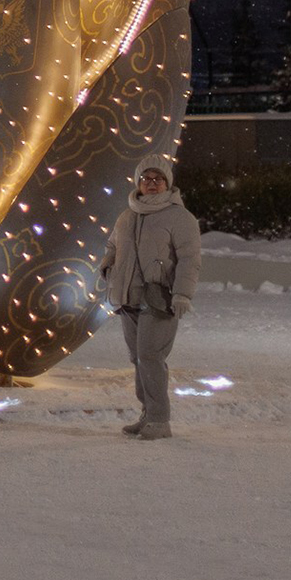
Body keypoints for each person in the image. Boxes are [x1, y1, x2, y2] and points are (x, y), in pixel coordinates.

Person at [98, 151, 201, 441]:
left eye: (158, 178)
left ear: (167, 183)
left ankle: (159, 419)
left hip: (160, 298)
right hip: (128, 297)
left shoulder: (180, 218)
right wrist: (108, 268)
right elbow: (113, 246)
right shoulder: (127, 214)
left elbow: (189, 259)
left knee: (150, 357)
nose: (152, 183)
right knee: (138, 358)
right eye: (146, 178)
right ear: (138, 183)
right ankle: (147, 413)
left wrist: (182, 294)